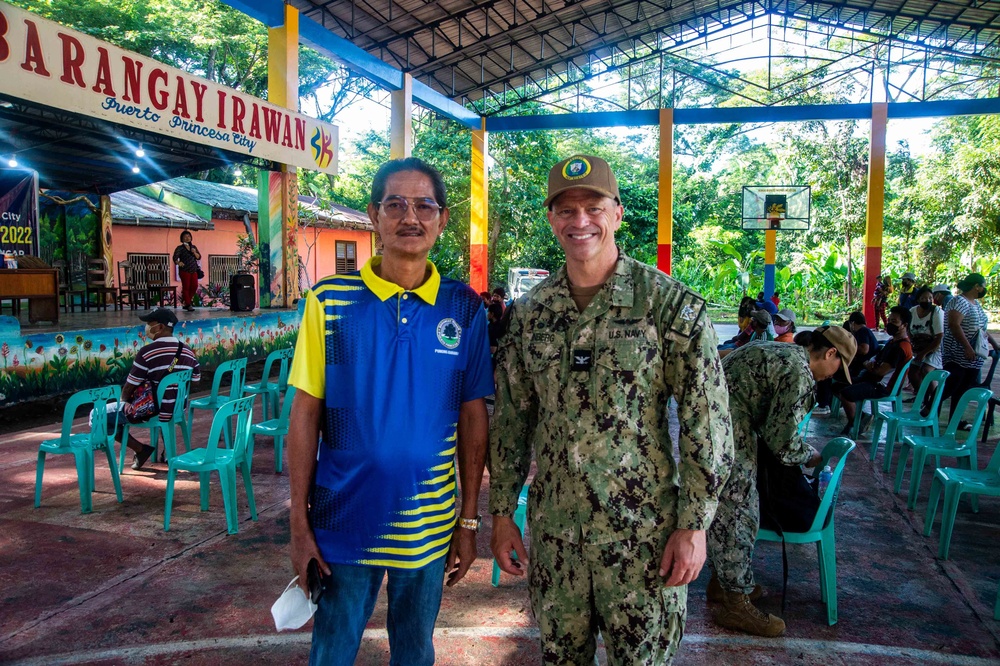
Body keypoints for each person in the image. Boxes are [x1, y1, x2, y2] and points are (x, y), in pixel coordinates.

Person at [489, 154, 734, 664]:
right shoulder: (532, 313)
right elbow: (512, 419)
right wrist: (502, 513)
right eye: (566, 210)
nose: (580, 221)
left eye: (593, 207)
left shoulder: (668, 305)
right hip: (557, 541)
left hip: (643, 541)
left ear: (617, 213)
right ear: (552, 219)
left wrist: (694, 525)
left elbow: (706, 425)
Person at [285, 157, 494, 666]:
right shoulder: (329, 301)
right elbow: (305, 413)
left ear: (442, 219)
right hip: (341, 520)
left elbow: (473, 417)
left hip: (428, 522)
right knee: (331, 653)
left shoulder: (465, 308)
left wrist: (468, 522)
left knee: (414, 652)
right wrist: (298, 523)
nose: (410, 216)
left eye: (424, 205)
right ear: (373, 215)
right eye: (395, 204)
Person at [707, 328, 855, 636]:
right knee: (739, 515)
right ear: (830, 354)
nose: (833, 376)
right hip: (728, 434)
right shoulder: (799, 374)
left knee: (725, 513)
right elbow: (783, 442)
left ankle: (723, 585)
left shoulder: (777, 350)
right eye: (839, 366)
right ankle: (735, 604)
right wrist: (809, 454)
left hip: (713, 425)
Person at [108, 307, 201, 470]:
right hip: (177, 409)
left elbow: (130, 385)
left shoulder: (146, 352)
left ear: (160, 327)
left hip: (151, 410)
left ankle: (140, 449)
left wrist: (124, 402)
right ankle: (167, 452)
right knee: (163, 402)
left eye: (149, 323)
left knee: (98, 415)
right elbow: (196, 380)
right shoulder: (187, 351)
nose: (146, 328)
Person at [836, 306, 913, 435]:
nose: (889, 324)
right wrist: (869, 365)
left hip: (882, 386)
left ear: (904, 325)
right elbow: (876, 358)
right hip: (871, 378)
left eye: (894, 321)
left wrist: (869, 365)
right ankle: (860, 417)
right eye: (889, 320)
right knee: (836, 385)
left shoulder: (901, 347)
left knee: (846, 393)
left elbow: (879, 372)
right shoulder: (892, 342)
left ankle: (855, 423)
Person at [940, 273, 1000, 423]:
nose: (984, 289)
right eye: (983, 286)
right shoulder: (959, 301)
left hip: (973, 357)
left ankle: (955, 420)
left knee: (962, 389)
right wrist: (967, 347)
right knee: (951, 385)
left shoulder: (975, 304)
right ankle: (929, 409)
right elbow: (954, 325)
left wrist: (994, 344)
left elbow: (981, 329)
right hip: (957, 353)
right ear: (976, 286)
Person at [908, 286, 944, 402]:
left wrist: (924, 353)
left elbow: (939, 337)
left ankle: (933, 401)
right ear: (918, 299)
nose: (927, 300)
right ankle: (922, 397)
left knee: (926, 371)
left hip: (935, 347)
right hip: (918, 347)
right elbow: (908, 329)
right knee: (912, 372)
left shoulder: (936, 312)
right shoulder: (913, 311)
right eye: (924, 298)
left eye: (930, 298)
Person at [172, 230, 201, 312]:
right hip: (184, 270)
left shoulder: (194, 247)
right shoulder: (180, 248)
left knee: (194, 286)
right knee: (186, 287)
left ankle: (186, 301)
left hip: (193, 269)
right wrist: (178, 262)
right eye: (185, 237)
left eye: (188, 236)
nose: (187, 238)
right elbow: (175, 258)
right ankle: (188, 304)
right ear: (182, 239)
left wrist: (194, 252)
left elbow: (199, 257)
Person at [846, 311, 878, 379]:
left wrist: (848, 347)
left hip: (864, 366)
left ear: (853, 323)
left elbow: (864, 350)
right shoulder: (866, 330)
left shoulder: (862, 331)